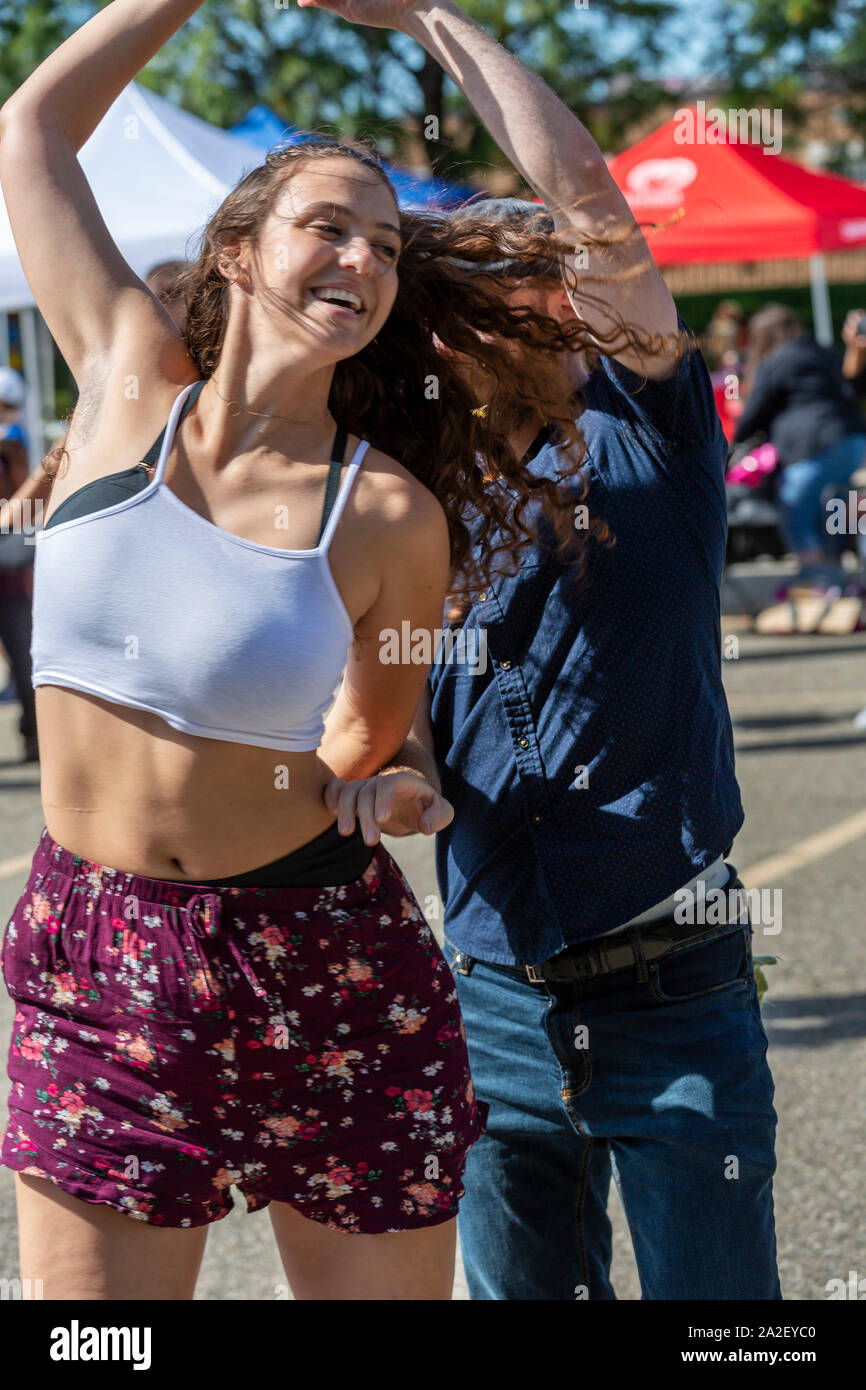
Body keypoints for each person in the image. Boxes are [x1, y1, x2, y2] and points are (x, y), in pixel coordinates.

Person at [0, 0, 595, 1301]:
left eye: (383, 244)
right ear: (232, 250)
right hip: (95, 958)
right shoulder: (117, 385)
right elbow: (31, 126)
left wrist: (382, 782)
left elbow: (366, 736)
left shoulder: (388, 513)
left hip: (321, 957)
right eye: (327, 225)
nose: (363, 258)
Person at [319, 0, 782, 1300]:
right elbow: (400, 722)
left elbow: (588, 197)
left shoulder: (654, 429)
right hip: (494, 999)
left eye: (544, 274)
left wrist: (423, 14)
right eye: (487, 290)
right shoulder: (410, 503)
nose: (547, 291)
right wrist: (392, 783)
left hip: (674, 981)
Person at [733, 303, 866, 576]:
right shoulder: (825, 352)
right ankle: (840, 566)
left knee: (795, 506)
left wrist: (731, 447)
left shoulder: (776, 362)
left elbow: (753, 416)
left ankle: (821, 577)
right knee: (837, 509)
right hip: (854, 443)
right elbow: (853, 387)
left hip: (816, 447)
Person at [0, 364, 38, 761]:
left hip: (8, 565)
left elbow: (26, 504)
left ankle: (33, 733)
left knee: (22, 648)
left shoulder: (11, 442)